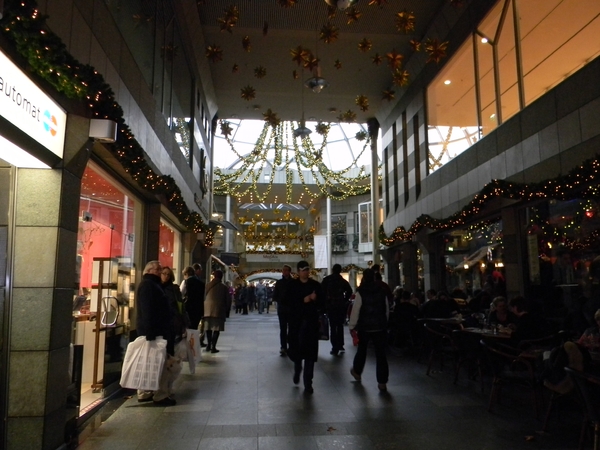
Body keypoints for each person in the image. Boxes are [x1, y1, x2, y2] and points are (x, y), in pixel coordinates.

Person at [136, 260, 177, 406]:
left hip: (155, 331)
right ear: (150, 271)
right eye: (158, 270)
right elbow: (148, 311)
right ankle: (160, 395)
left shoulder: (153, 285)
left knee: (151, 363)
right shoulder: (149, 286)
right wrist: (150, 333)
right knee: (160, 364)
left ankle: (147, 392)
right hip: (155, 332)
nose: (160, 272)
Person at [348, 268, 390, 391]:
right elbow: (386, 309)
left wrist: (352, 326)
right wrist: (384, 323)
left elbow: (356, 310)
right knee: (381, 354)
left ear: (364, 278)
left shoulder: (361, 292)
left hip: (365, 327)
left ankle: (357, 371)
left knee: (362, 350)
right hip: (379, 327)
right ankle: (382, 382)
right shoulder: (381, 291)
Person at [288, 260, 323, 394]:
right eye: (303, 270)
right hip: (297, 325)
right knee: (297, 352)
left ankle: (308, 383)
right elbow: (287, 302)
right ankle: (297, 369)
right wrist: (303, 300)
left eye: (307, 269)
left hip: (311, 325)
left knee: (310, 355)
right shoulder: (292, 286)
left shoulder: (315, 286)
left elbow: (322, 303)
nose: (306, 272)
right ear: (298, 272)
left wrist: (315, 299)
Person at [321, 263, 353, 356]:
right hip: (340, 305)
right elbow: (349, 291)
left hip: (331, 306)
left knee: (333, 326)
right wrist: (344, 299)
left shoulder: (327, 280)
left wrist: (324, 303)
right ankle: (340, 344)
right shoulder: (342, 281)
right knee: (340, 326)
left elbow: (321, 292)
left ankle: (334, 346)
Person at [203, 270, 229, 353]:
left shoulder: (207, 285)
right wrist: (227, 310)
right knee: (216, 329)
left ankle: (208, 345)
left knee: (208, 328)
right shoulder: (224, 287)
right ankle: (213, 346)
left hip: (207, 310)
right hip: (218, 310)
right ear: (221, 277)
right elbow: (228, 300)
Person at [160, 266, 187, 345]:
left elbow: (181, 305)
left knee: (170, 344)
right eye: (164, 274)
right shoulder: (157, 287)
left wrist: (184, 322)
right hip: (160, 320)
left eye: (168, 274)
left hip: (172, 320)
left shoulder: (174, 289)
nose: (166, 276)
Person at [181, 266, 206, 346]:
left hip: (188, 308)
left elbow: (181, 293)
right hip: (198, 309)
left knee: (187, 328)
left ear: (186, 274)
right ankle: (193, 348)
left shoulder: (186, 282)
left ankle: (187, 346)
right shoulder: (201, 283)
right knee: (194, 328)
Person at [273, 264, 293, 356]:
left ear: (289, 272)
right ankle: (283, 346)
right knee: (283, 328)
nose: (285, 272)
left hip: (291, 308)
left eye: (286, 270)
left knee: (292, 328)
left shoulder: (294, 283)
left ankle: (291, 345)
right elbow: (275, 295)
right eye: (283, 270)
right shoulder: (279, 283)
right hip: (282, 308)